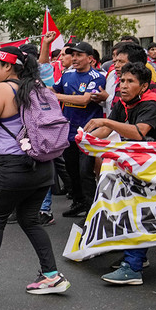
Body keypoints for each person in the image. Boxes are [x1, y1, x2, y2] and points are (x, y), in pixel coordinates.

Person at [0, 46, 71, 298]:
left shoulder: (2, 89)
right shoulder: (38, 87)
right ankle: (51, 275)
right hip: (44, 165)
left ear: (9, 67)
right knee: (29, 219)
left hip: (14, 167)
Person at [86, 63, 156, 285]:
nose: (123, 86)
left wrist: (105, 121)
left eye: (130, 82)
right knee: (145, 209)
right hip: (139, 165)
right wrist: (85, 138)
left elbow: (138, 132)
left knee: (139, 210)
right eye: (121, 81)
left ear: (144, 86)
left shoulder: (152, 104)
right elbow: (107, 130)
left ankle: (133, 267)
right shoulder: (123, 103)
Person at [54, 41, 108, 218]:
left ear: (90, 59)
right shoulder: (67, 75)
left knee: (85, 171)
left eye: (79, 55)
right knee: (71, 169)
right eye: (73, 55)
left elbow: (85, 100)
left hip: (88, 133)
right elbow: (53, 90)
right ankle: (79, 202)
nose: (74, 58)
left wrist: (57, 96)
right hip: (68, 131)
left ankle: (93, 209)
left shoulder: (97, 76)